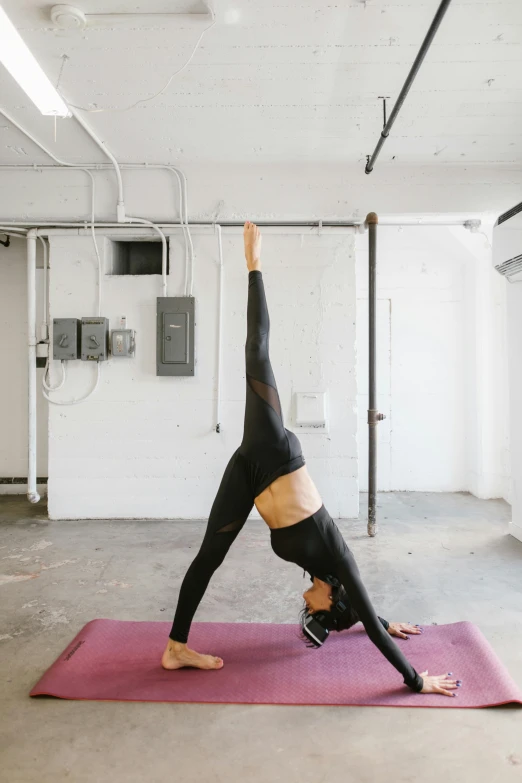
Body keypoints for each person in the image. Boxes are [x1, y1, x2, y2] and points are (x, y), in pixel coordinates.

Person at [162, 222, 461, 697]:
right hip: (276, 456)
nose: (305, 606)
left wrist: (381, 620)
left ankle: (175, 647)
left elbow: (362, 613)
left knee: (208, 558)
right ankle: (254, 266)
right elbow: (364, 613)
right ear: (330, 598)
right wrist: (415, 679)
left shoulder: (327, 578)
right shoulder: (340, 562)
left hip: (249, 473)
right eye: (314, 611)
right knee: (255, 354)